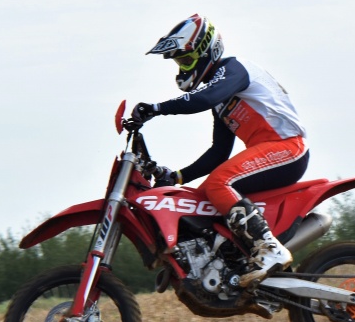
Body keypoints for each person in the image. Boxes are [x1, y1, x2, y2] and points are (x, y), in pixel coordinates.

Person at [132, 14, 309, 286]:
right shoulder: (221, 101)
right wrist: (177, 177)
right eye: (180, 63)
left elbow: (203, 98)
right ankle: (227, 265)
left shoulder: (235, 69)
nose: (182, 68)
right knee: (200, 199)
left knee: (218, 183)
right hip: (271, 152)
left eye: (186, 60)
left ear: (206, 51)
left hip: (287, 147)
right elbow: (218, 153)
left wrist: (157, 109)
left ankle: (270, 249)